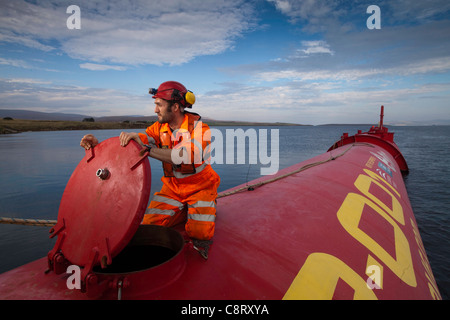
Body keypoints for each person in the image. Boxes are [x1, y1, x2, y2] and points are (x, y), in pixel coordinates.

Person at [80, 81, 220, 257]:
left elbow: (187, 155)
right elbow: (135, 143)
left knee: (200, 233)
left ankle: (208, 203)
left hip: (201, 187)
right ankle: (186, 209)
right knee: (149, 226)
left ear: (175, 107)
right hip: (172, 189)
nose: (155, 110)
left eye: (159, 105)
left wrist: (149, 150)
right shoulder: (158, 128)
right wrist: (98, 145)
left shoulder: (200, 128)